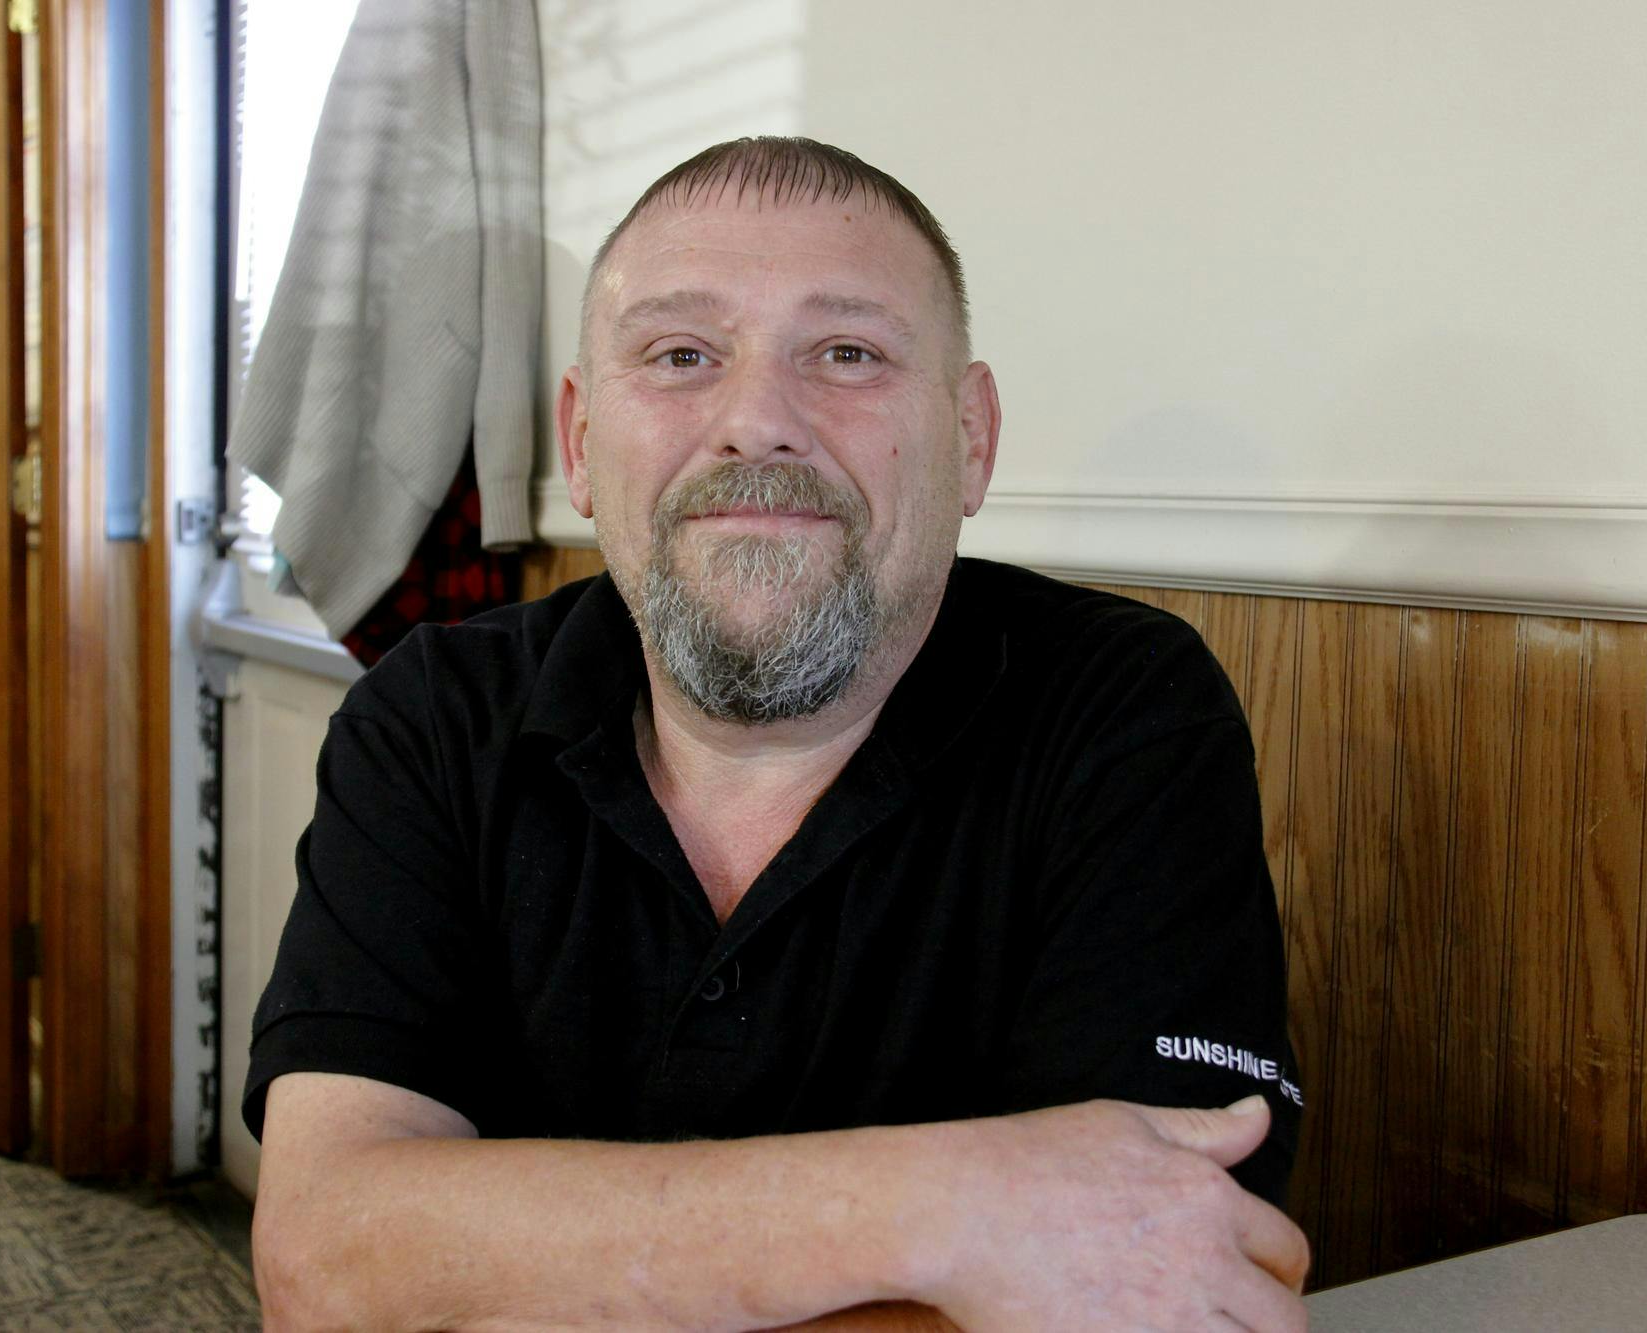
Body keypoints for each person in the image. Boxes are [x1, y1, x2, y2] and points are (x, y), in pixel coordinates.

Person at [246, 136, 1310, 1332]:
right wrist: (951, 1205)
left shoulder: (1122, 709)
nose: (755, 421)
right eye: (680, 354)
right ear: (583, 441)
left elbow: (1158, 1276)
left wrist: (515, 1261)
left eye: (846, 353)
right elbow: (329, 1265)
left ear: (970, 438)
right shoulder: (434, 714)